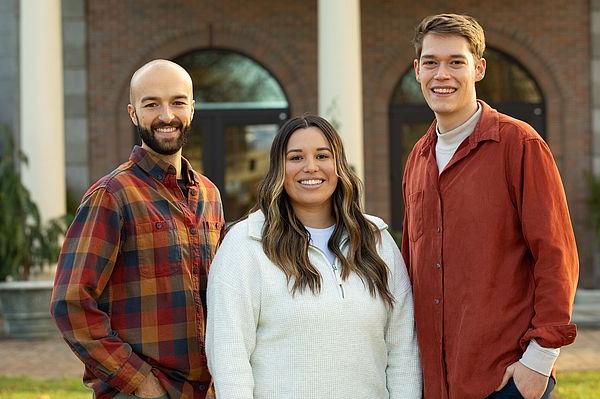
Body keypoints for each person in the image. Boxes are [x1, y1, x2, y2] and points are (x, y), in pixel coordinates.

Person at [402, 13, 579, 399]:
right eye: (431, 62)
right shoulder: (417, 158)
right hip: (436, 384)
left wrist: (540, 359)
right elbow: (412, 263)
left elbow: (556, 255)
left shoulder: (519, 144)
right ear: (417, 70)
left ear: (478, 68)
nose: (441, 75)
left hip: (506, 380)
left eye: (456, 62)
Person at [205, 115, 421, 398]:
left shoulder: (376, 240)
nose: (310, 167)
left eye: (322, 155)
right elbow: (228, 355)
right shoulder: (245, 244)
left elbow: (403, 349)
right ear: (278, 169)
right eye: (296, 157)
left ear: (338, 165)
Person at [50, 59, 224, 399]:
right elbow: (70, 302)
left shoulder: (209, 194)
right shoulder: (112, 195)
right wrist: (141, 384)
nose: (166, 115)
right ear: (133, 113)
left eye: (177, 102)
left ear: (192, 108)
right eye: (151, 104)